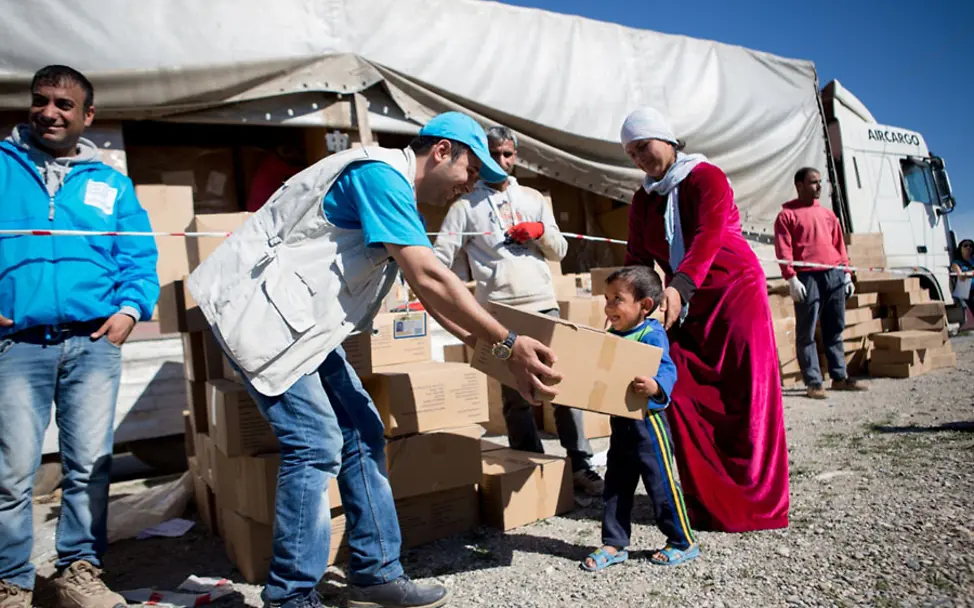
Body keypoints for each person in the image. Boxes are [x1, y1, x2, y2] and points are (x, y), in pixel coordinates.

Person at [187, 112, 562, 608]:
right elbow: (429, 275)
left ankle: (375, 573)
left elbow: (429, 296)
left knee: (361, 430)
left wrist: (494, 352)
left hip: (302, 328)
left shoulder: (393, 190)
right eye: (472, 170)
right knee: (315, 443)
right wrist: (509, 343)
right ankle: (290, 596)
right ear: (444, 151)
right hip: (264, 318)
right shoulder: (379, 175)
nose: (471, 184)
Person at [0, 66, 159, 608]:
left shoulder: (109, 182)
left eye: (64, 104)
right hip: (16, 344)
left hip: (93, 344)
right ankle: (12, 583)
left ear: (86, 116)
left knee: (89, 467)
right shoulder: (0, 168)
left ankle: (79, 574)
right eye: (41, 101)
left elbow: (139, 256)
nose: (50, 112)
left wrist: (132, 310)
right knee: (12, 473)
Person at [619, 107, 789, 533]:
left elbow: (707, 237)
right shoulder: (643, 200)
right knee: (684, 393)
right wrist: (625, 302)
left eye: (644, 146)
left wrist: (678, 287)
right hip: (684, 305)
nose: (640, 157)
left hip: (733, 296)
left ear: (667, 139)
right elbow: (638, 260)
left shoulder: (705, 177)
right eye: (631, 153)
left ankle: (755, 502)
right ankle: (708, 501)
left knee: (744, 395)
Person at [432, 125, 604, 497]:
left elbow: (559, 250)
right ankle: (531, 466)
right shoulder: (464, 206)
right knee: (515, 396)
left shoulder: (532, 198)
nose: (503, 161)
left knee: (562, 386)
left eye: (509, 154)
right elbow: (440, 259)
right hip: (500, 313)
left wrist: (540, 230)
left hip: (543, 304)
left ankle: (581, 465)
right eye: (495, 154)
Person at [581, 267, 697, 572]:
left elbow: (668, 370)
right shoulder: (612, 335)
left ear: (644, 305)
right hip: (621, 423)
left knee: (660, 484)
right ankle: (614, 542)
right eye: (606, 299)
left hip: (649, 424)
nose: (608, 307)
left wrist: (657, 387)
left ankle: (682, 540)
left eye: (616, 299)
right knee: (616, 484)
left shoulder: (651, 334)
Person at [774, 168, 868, 399]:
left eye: (820, 182)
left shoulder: (828, 215)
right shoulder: (787, 216)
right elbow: (783, 248)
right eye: (813, 182)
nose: (819, 186)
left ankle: (839, 377)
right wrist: (791, 277)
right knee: (806, 332)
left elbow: (839, 245)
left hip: (833, 274)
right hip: (807, 277)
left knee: (835, 327)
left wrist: (846, 272)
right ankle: (814, 382)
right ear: (799, 185)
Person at [950, 239, 974, 312]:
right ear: (960, 249)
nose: (968, 247)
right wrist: (969, 274)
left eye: (971, 246)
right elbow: (960, 276)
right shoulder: (956, 263)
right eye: (965, 245)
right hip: (968, 292)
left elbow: (964, 275)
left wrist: (967, 274)